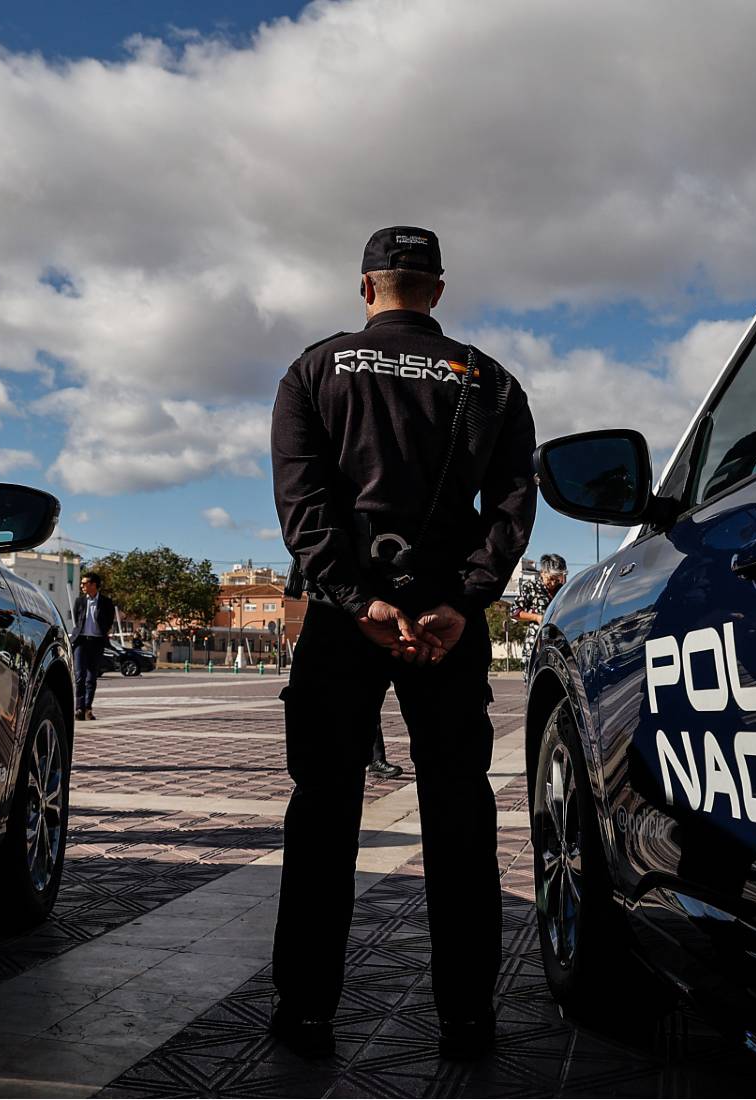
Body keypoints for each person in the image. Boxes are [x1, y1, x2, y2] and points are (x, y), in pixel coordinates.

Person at [270, 226, 536, 1060]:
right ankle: (467, 1013)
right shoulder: (487, 377)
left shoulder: (316, 369)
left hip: (346, 624)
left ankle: (307, 1009)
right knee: (458, 809)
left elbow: (303, 503)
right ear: (439, 290)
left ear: (366, 288)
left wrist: (354, 600)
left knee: (324, 808)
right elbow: (513, 503)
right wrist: (463, 600)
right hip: (446, 627)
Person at [70, 572, 115, 721]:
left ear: (94, 585)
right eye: (82, 583)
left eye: (85, 583)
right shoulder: (79, 601)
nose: (82, 586)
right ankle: (79, 708)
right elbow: (77, 620)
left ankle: (88, 708)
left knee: (91, 677)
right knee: (79, 676)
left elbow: (108, 621)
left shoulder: (106, 602)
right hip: (81, 642)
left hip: (96, 642)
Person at [511, 553, 567, 664]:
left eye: (557, 580)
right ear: (542, 573)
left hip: (557, 644)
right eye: (551, 579)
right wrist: (536, 617)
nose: (553, 583)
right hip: (536, 642)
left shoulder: (562, 590)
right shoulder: (530, 587)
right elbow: (514, 612)